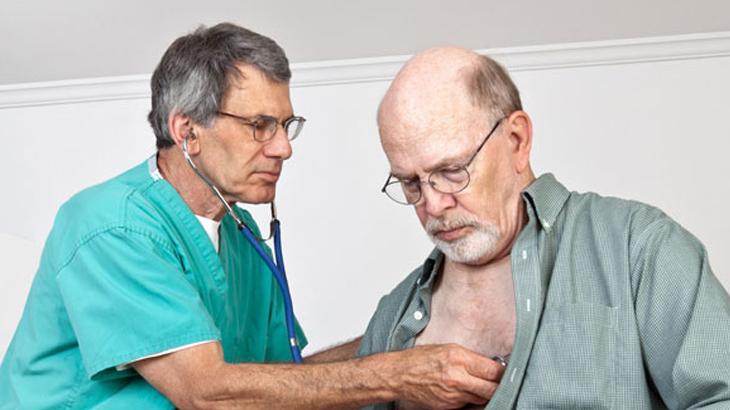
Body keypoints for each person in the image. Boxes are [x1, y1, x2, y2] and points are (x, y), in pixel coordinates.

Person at [0, 25, 506, 410]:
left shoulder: (245, 247)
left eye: (286, 125)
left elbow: (282, 383)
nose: (284, 147)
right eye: (260, 125)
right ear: (187, 131)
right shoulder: (110, 226)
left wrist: (405, 337)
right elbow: (208, 394)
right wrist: (399, 373)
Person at [356, 46, 730, 409]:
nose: (432, 204)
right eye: (410, 183)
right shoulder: (393, 314)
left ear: (517, 140)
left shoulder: (640, 247)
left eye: (452, 171)